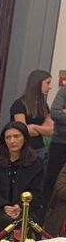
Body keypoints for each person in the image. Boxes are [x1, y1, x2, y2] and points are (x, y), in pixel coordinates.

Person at [0, 121, 45, 231]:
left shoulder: (37, 163)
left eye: (16, 136)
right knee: (4, 221)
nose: (12, 141)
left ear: (25, 138)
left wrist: (19, 207)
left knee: (26, 221)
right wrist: (4, 206)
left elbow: (37, 192)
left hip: (27, 208)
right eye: (8, 137)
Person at [10, 69, 53, 162]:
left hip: (41, 149)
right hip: (23, 149)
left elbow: (50, 130)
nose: (50, 87)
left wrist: (33, 127)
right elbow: (23, 130)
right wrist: (42, 129)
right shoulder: (19, 104)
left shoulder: (44, 105)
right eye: (47, 83)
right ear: (37, 83)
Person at [48, 84, 66, 214]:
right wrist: (61, 112)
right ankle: (47, 213)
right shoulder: (64, 92)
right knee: (52, 179)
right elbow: (55, 113)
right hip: (59, 144)